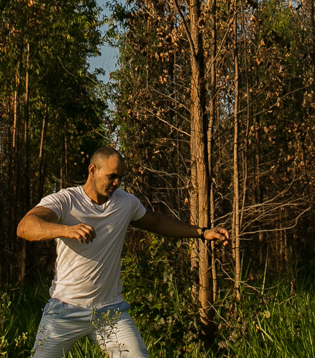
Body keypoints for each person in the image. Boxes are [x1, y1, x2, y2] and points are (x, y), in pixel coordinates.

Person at [17, 146, 229, 358]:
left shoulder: (125, 203)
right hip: (65, 309)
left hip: (110, 310)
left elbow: (156, 222)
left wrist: (202, 232)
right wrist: (66, 230)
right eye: (111, 176)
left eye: (120, 177)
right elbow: (25, 227)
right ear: (92, 170)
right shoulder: (66, 201)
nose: (117, 183)